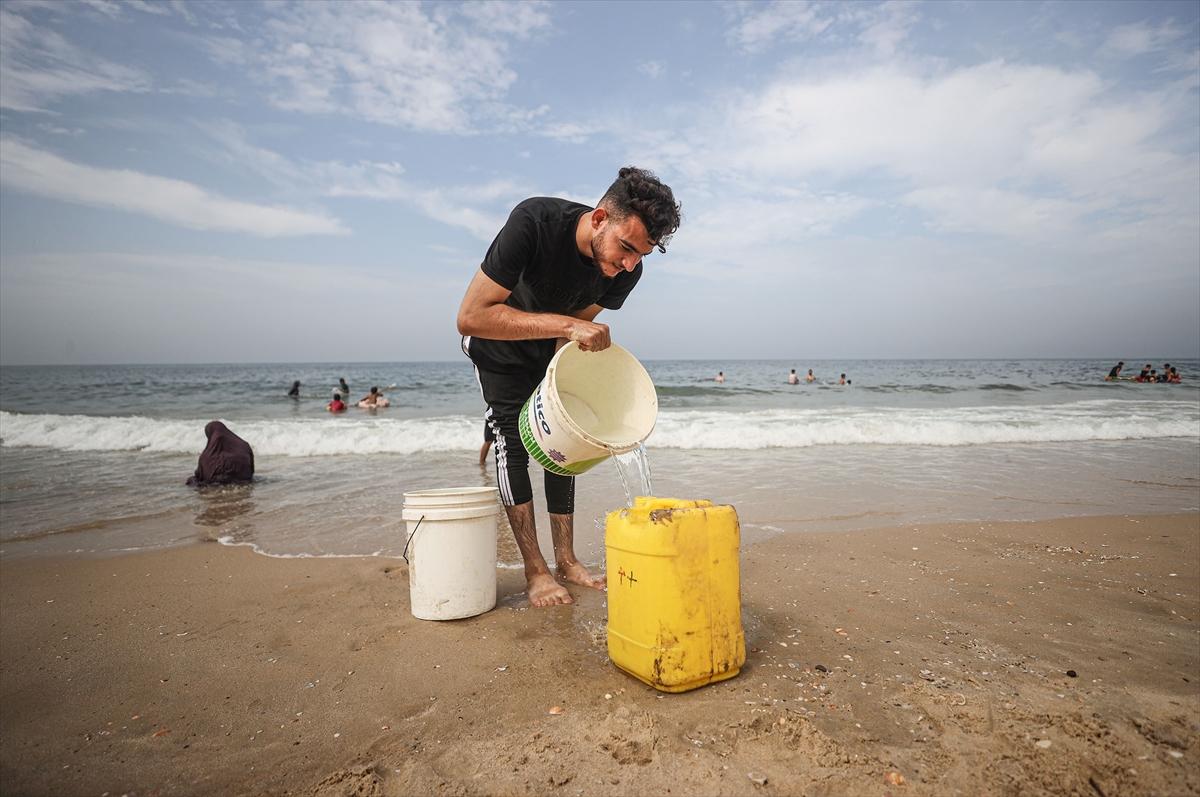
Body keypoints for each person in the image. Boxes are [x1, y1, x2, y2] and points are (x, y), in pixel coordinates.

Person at [456, 166, 681, 608]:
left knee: (564, 443)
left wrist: (567, 389)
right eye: (627, 248)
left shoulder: (625, 270)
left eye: (643, 255)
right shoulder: (534, 223)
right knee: (512, 441)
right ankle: (536, 571)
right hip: (496, 341)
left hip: (550, 346)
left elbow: (580, 324)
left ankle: (566, 560)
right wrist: (567, 326)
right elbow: (471, 316)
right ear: (600, 219)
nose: (630, 264)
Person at [187, 421, 254, 486]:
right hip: (244, 479)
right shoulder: (244, 445)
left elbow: (201, 475)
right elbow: (252, 470)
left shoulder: (206, 455)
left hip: (216, 484)